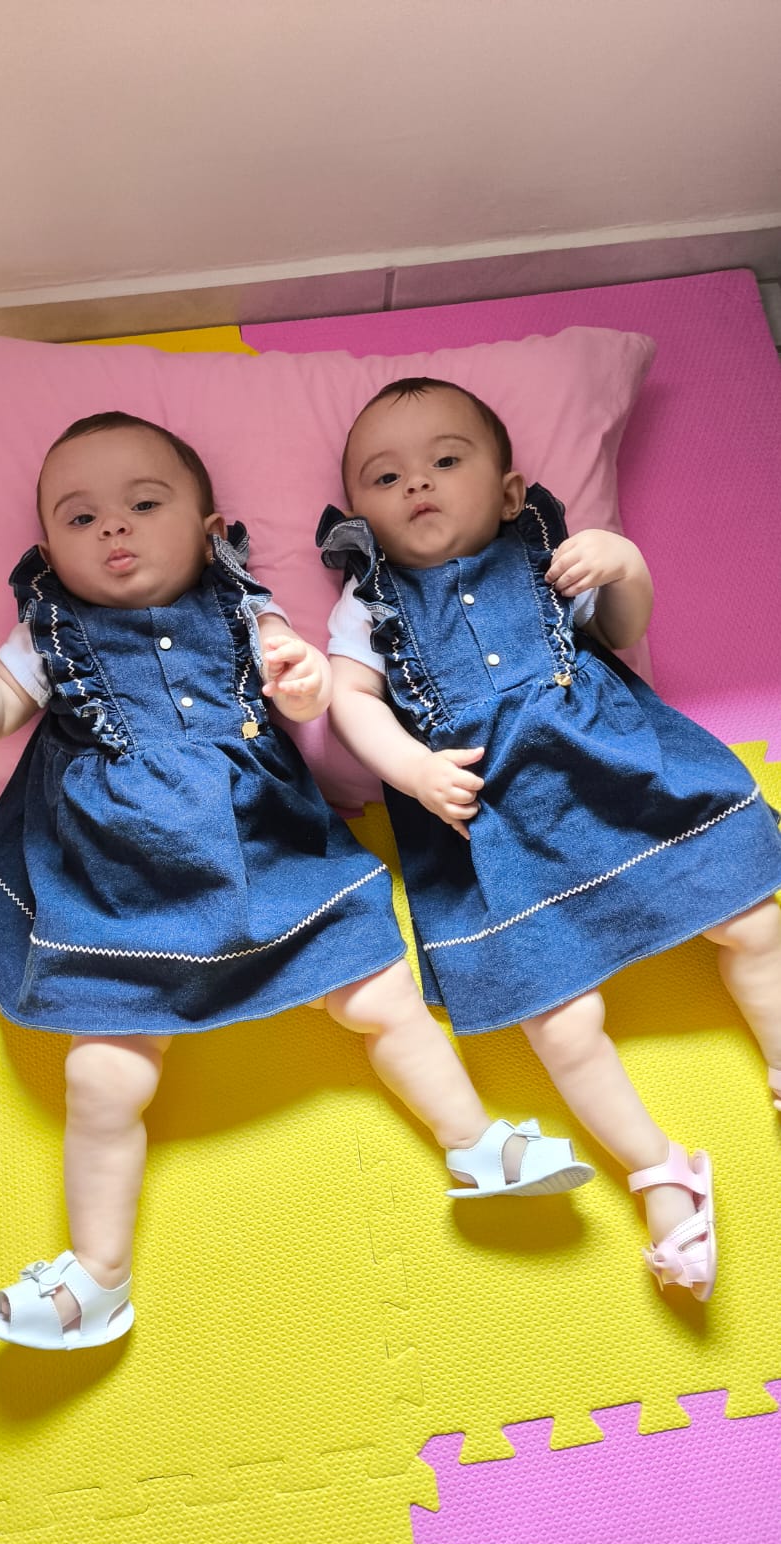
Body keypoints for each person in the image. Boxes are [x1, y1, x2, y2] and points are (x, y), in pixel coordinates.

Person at [0, 411, 593, 1352]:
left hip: (266, 848)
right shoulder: (50, 630)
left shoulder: (242, 604)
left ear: (210, 530)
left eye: (145, 505)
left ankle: (476, 1143)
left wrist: (300, 683)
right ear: (47, 553)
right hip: (120, 885)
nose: (114, 528)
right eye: (80, 518)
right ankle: (98, 1277)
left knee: (383, 995)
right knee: (102, 1074)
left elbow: (303, 695)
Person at [319, 376, 781, 1303]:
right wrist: (409, 769)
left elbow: (623, 631)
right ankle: (658, 1172)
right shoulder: (367, 605)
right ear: (360, 516)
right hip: (493, 822)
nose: (417, 483)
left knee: (756, 921)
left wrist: (624, 565)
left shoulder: (546, 558)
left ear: (506, 493)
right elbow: (348, 701)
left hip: (618, 775)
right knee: (557, 1019)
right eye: (385, 476)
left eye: (445, 460)